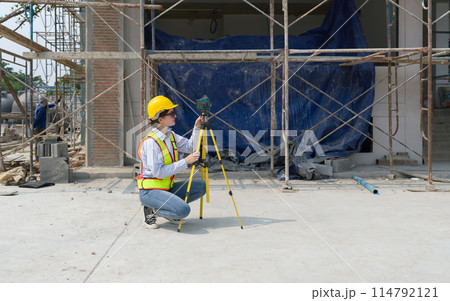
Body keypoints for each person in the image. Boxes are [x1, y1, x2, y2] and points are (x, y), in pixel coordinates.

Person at [137, 95, 206, 229]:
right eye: (171, 114)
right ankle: (151, 210)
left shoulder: (170, 135)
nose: (175, 116)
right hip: (150, 191)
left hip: (167, 188)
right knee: (183, 210)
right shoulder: (151, 143)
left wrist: (197, 127)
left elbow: (191, 147)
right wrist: (185, 162)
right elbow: (159, 173)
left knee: (202, 186)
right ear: (160, 119)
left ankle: (169, 209)